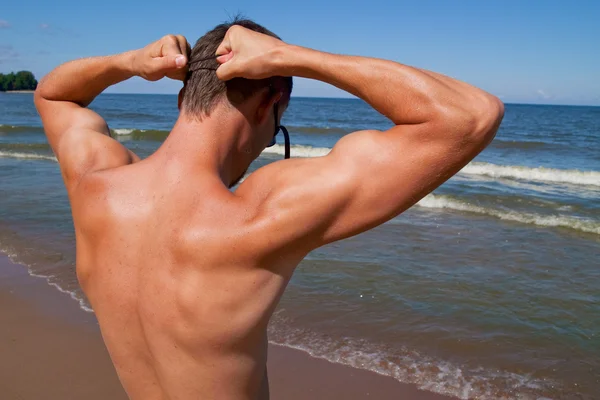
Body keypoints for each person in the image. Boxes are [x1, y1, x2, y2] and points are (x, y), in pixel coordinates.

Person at [34, 17, 503, 400]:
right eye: (278, 129)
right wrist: (293, 57)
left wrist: (129, 63)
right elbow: (470, 115)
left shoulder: (95, 185)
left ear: (182, 98)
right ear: (270, 105)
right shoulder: (257, 218)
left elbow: (52, 94)